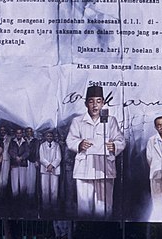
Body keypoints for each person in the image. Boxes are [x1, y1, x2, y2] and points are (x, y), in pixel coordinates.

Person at [66, 85, 126, 217]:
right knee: (84, 208)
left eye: (98, 101)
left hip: (105, 169)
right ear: (86, 103)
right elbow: (70, 140)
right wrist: (79, 144)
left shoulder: (110, 121)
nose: (95, 105)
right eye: (91, 101)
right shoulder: (77, 121)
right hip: (84, 169)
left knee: (104, 208)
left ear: (103, 103)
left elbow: (121, 140)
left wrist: (114, 146)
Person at [39, 131, 62, 210]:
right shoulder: (42, 145)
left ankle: (54, 206)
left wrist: (52, 165)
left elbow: (58, 158)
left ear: (53, 137)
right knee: (45, 189)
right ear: (45, 137)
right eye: (48, 136)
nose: (49, 137)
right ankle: (45, 206)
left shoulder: (57, 146)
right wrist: (47, 165)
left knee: (54, 189)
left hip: (54, 169)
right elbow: (41, 158)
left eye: (51, 136)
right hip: (45, 169)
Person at [8, 128, 30, 199]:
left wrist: (21, 158)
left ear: (22, 134)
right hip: (14, 163)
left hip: (23, 164)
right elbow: (10, 151)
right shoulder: (12, 141)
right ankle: (15, 198)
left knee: (23, 182)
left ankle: (22, 198)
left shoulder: (25, 142)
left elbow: (27, 152)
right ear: (15, 134)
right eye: (17, 133)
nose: (19, 134)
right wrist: (16, 157)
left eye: (20, 133)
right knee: (14, 182)